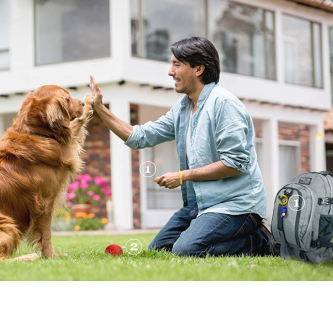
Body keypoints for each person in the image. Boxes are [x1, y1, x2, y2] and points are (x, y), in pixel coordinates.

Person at [89, 36, 276, 257]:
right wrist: (100, 108)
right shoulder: (183, 109)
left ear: (198, 69)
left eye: (177, 65)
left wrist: (183, 176)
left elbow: (235, 163)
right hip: (199, 204)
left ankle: (261, 242)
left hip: (236, 205)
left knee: (187, 250)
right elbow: (139, 137)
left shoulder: (224, 104)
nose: (170, 71)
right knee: (160, 250)